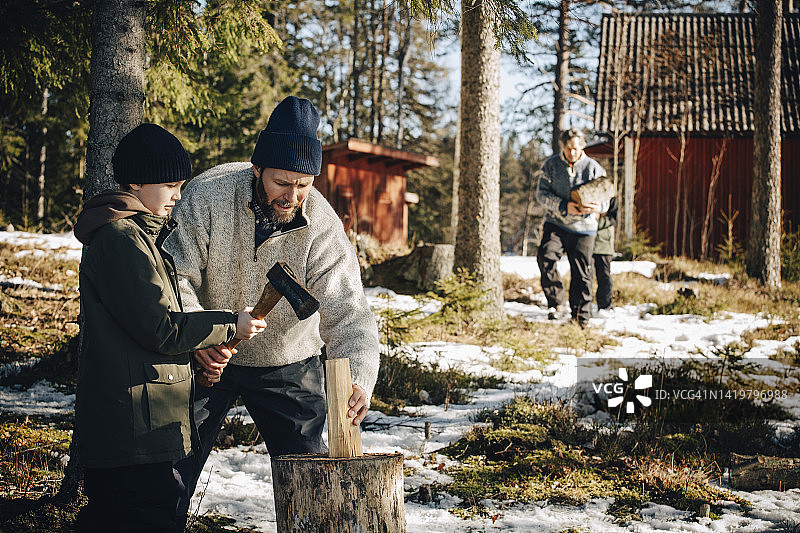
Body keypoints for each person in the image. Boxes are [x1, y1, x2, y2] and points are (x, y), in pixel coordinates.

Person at [165, 96, 380, 514]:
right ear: (256, 168)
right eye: (282, 182)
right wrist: (197, 334)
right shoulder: (208, 196)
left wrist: (357, 378)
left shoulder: (320, 222)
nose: (292, 196)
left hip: (288, 362)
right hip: (210, 355)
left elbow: (348, 311)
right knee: (169, 470)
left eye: (303, 184)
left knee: (311, 481)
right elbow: (175, 275)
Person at [73, 123, 267, 533]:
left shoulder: (140, 238)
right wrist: (231, 324)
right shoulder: (122, 241)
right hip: (132, 435)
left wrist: (197, 363)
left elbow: (142, 335)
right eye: (171, 185)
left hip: (141, 427)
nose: (179, 196)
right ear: (137, 181)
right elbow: (159, 328)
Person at [536, 128, 609, 327]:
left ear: (582, 146)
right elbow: (541, 195)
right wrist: (562, 206)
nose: (572, 152)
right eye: (568, 148)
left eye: (576, 148)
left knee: (582, 273)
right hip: (556, 223)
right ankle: (557, 303)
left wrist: (598, 207)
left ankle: (581, 317)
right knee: (545, 257)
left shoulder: (594, 168)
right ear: (563, 146)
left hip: (584, 228)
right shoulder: (551, 165)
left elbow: (606, 199)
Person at [593, 196, 618, 315]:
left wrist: (595, 221)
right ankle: (582, 305)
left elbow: (613, 218)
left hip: (604, 245)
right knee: (584, 276)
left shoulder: (610, 198)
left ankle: (605, 305)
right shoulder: (587, 195)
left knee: (604, 276)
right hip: (586, 242)